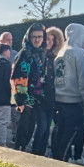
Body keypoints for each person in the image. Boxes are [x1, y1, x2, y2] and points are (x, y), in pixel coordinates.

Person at [53, 23, 84, 162]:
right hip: (74, 101)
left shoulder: (60, 52)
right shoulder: (80, 53)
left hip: (59, 99)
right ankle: (64, 161)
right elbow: (83, 80)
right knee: (70, 134)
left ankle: (58, 159)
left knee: (60, 132)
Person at [12, 23, 47, 151]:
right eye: (34, 37)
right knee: (23, 132)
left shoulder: (41, 54)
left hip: (37, 98)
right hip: (25, 100)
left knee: (30, 131)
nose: (37, 40)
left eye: (40, 36)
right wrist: (21, 101)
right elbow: (17, 77)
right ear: (29, 38)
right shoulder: (25, 54)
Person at [32, 27, 63, 156]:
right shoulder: (37, 56)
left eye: (52, 40)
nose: (49, 42)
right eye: (47, 39)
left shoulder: (54, 58)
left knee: (46, 129)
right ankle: (36, 151)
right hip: (40, 98)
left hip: (51, 99)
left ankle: (42, 151)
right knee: (42, 127)